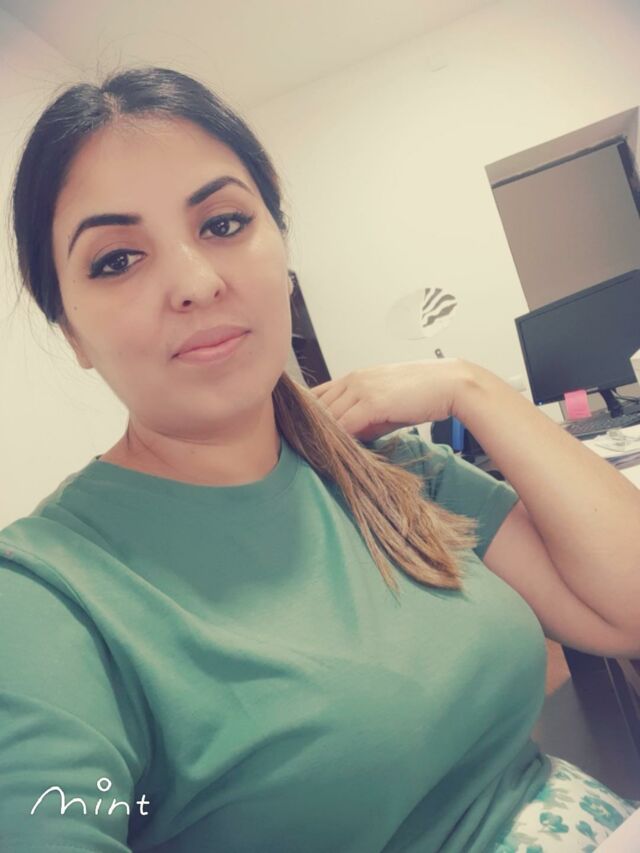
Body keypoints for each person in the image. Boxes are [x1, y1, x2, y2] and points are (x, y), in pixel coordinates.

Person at [1, 65, 638, 853]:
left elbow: (627, 605)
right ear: (71, 330)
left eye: (223, 223)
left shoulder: (388, 472)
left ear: (280, 245)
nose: (195, 281)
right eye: (116, 260)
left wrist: (471, 387)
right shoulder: (44, 594)